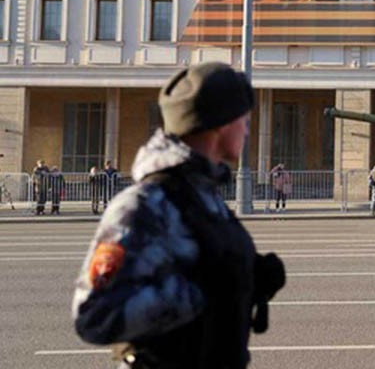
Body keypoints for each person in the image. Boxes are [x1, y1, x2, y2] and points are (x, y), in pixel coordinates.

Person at [72, 62, 285, 369]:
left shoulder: (203, 196)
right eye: (244, 120)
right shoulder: (144, 204)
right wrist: (202, 291)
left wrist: (248, 281)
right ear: (219, 124)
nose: (247, 130)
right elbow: (94, 315)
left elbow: (207, 269)